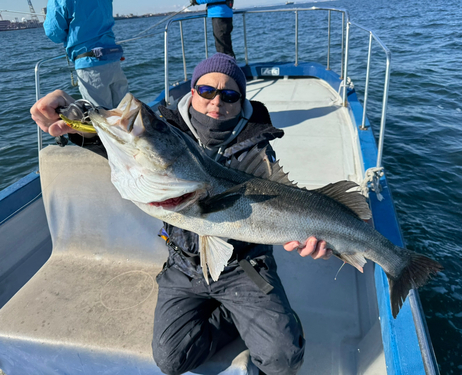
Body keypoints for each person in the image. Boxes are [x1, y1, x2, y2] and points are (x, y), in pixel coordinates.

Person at [30, 53, 333, 375]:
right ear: (192, 92)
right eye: (206, 91)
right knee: (171, 360)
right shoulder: (169, 129)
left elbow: (281, 208)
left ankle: (266, 318)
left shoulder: (256, 148)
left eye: (229, 94)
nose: (216, 101)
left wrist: (311, 237)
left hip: (245, 266)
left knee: (281, 359)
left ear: (241, 102)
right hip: (182, 265)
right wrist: (77, 114)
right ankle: (238, 316)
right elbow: (119, 143)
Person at [44, 0, 129, 109]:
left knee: (101, 117)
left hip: (89, 62)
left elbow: (54, 33)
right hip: (112, 57)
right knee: (125, 111)